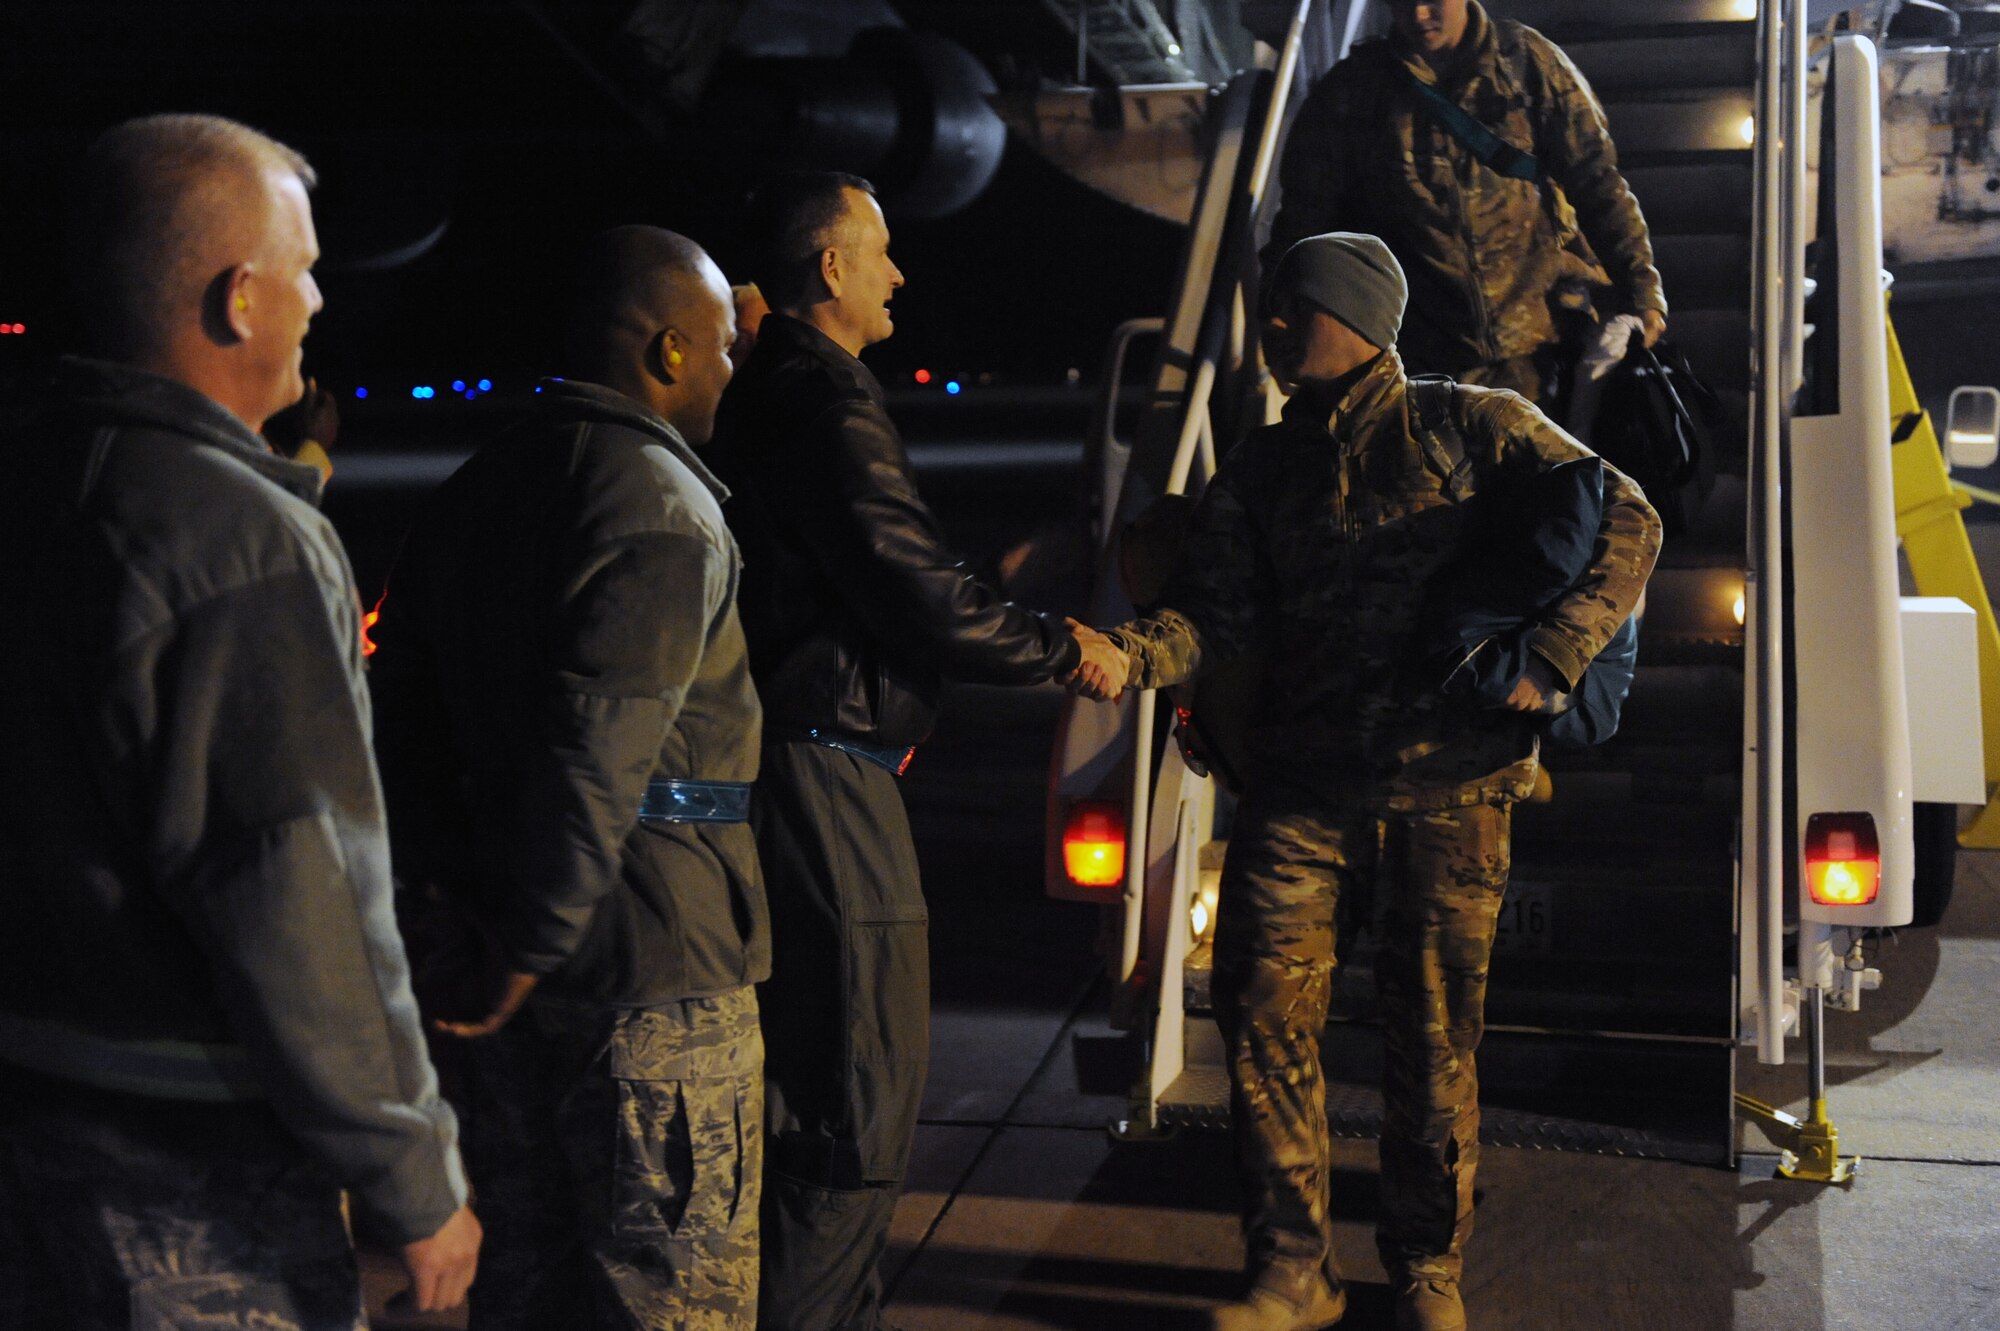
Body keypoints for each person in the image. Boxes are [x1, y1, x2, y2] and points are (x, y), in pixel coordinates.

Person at [1073, 233, 1661, 1331]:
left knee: (1430, 1040)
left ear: (1340, 312)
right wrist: (1126, 654)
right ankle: (1291, 1267)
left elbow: (1627, 513)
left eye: (1285, 306)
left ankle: (1424, 1267)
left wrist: (1555, 656)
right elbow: (1210, 615)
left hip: (1450, 793)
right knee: (1257, 1012)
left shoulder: (1468, 422)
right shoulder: (1262, 462)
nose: (1270, 324)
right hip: (1302, 792)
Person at [0, 113, 480, 1329]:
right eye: (306, 268)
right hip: (188, 1163)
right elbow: (299, 886)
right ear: (237, 298)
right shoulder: (240, 538)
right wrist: (413, 1171)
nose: (320, 298)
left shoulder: (39, 478)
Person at [709, 171, 1122, 1331]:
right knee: (855, 1096)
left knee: (813, 1092)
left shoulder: (768, 386)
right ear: (829, 269)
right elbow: (908, 581)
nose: (899, 273)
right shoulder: (824, 395)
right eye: (879, 252)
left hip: (780, 761)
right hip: (824, 767)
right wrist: (1055, 648)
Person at [367, 227, 769, 1329]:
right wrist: (531, 947)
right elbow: (597, 757)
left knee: (529, 1292)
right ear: (668, 352)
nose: (734, 370)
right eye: (724, 347)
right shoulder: (660, 508)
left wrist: (459, 908)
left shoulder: (478, 487)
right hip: (646, 971)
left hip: (504, 952)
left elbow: (397, 716)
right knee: (668, 1292)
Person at [1264, 0, 1667, 403]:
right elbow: (1304, 219)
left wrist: (1642, 291)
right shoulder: (1354, 93)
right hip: (1423, 370)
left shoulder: (1528, 66)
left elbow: (1597, 182)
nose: (1419, 15)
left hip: (1544, 354)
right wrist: (1282, 324)